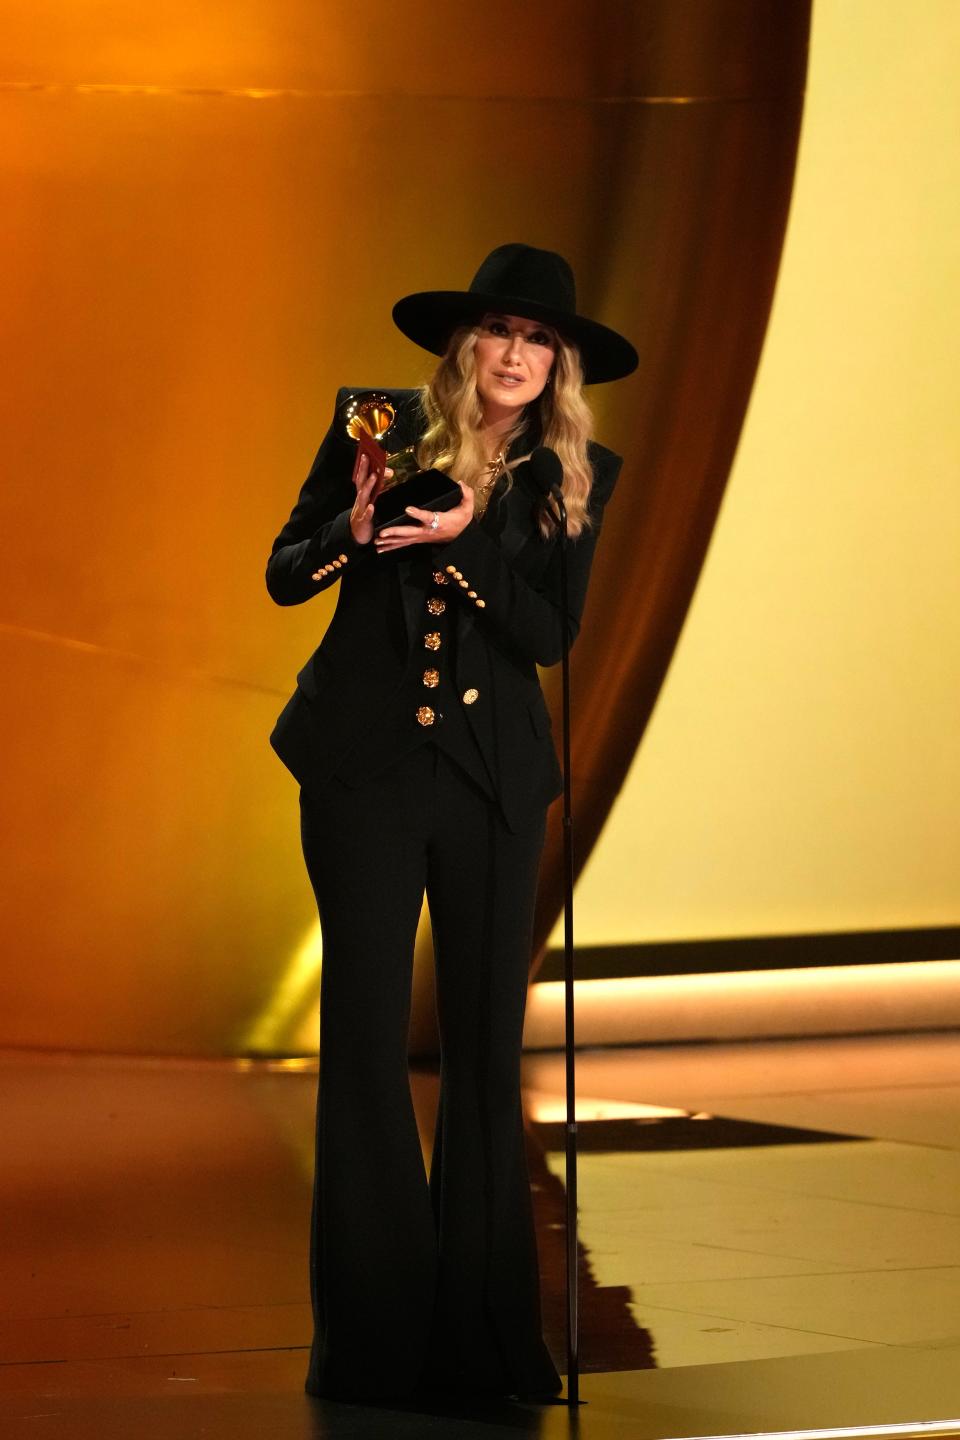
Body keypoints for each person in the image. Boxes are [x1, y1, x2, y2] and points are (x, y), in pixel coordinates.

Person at [265, 243, 638, 1405]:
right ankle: (373, 1348)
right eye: (499, 332)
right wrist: (361, 527)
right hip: (365, 773)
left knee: (484, 1049)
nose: (517, 355)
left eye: (540, 341)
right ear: (464, 344)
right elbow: (284, 573)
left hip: (488, 782)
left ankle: (482, 1342)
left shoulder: (576, 473)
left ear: (559, 363)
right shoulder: (374, 427)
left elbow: (544, 636)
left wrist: (465, 541)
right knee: (367, 1050)